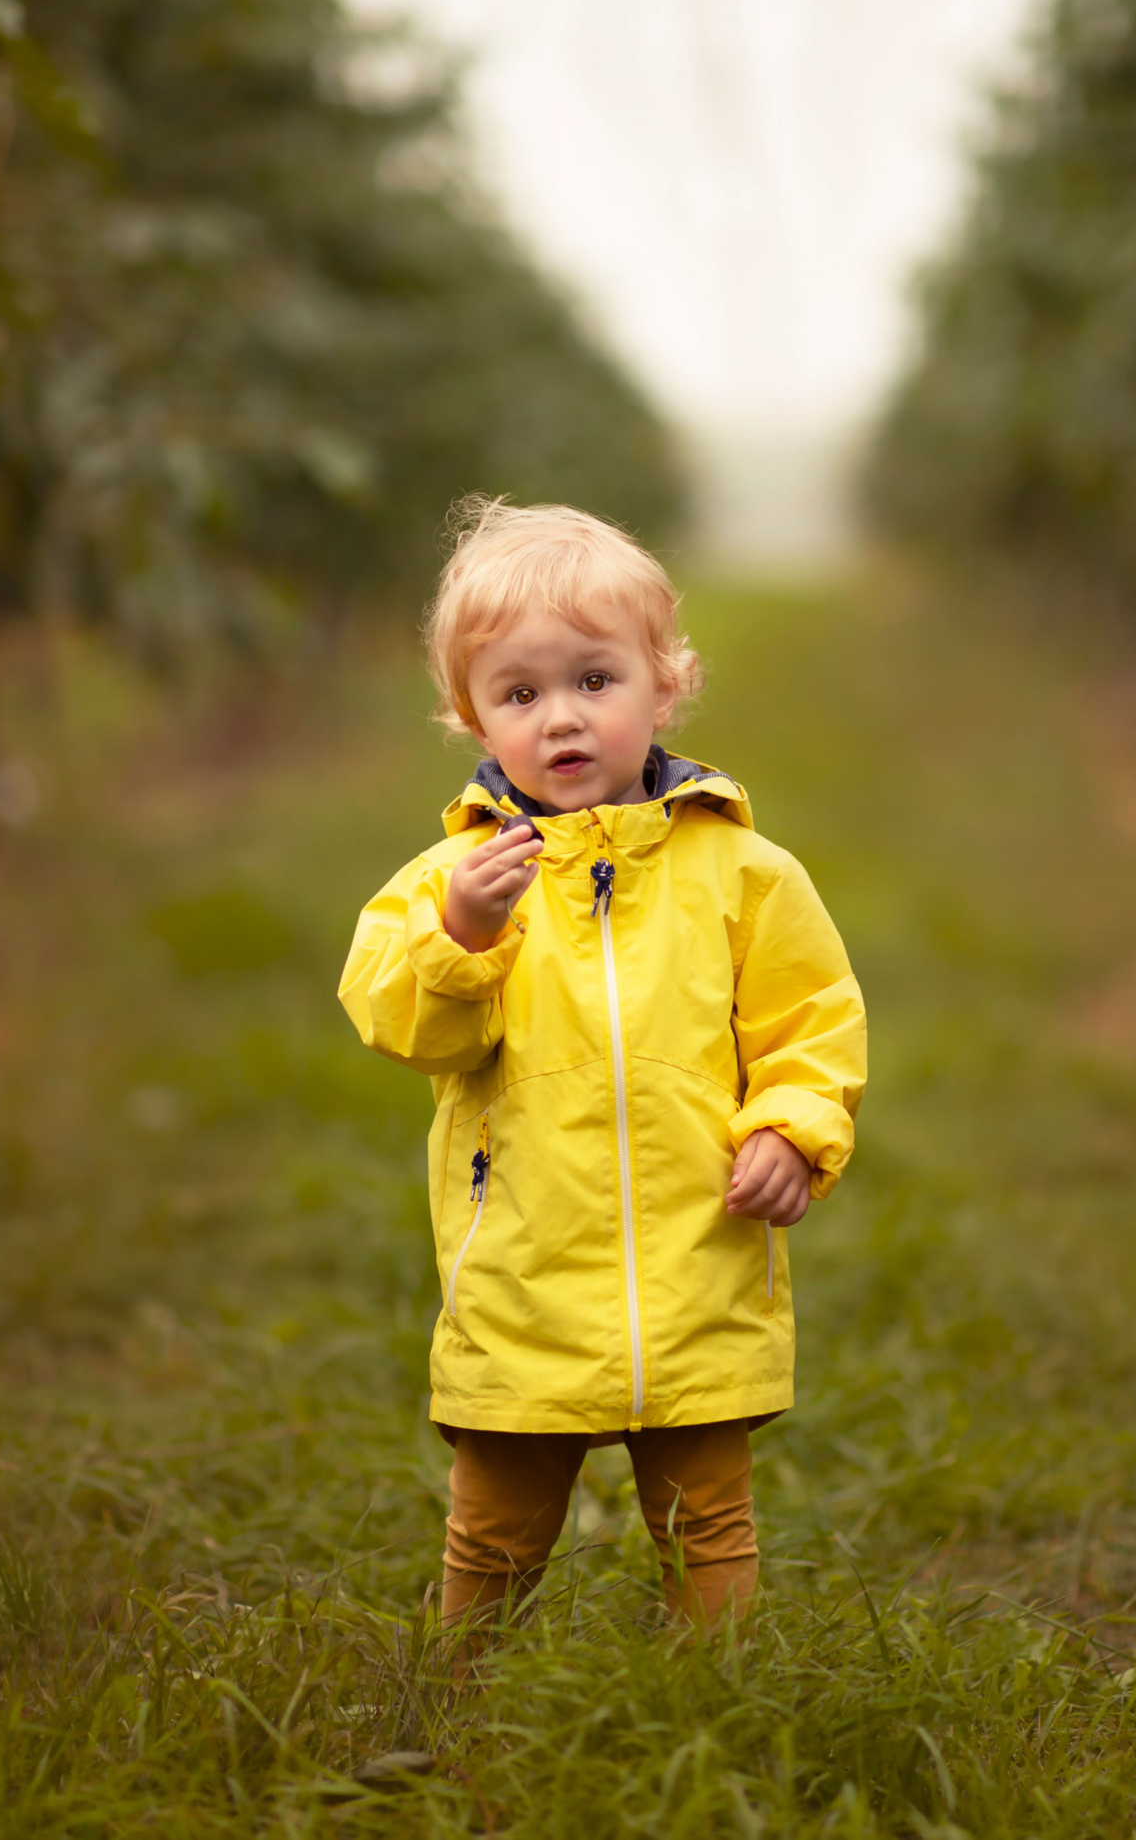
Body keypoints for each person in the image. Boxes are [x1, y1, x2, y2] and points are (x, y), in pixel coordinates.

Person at [339, 498, 868, 1632]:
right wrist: (461, 938)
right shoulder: (458, 878)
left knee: (709, 1524)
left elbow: (810, 1019)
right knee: (493, 1527)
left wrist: (790, 1126)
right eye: (520, 694)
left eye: (593, 679)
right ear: (470, 715)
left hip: (698, 1260)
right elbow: (398, 1021)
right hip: (521, 1272)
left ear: (664, 681)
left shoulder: (743, 870)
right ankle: (466, 1710)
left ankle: (710, 1721)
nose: (561, 718)